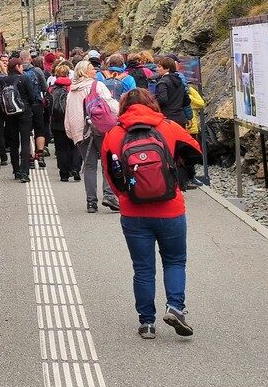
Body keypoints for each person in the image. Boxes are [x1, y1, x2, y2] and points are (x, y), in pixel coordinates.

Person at [102, 88, 204, 338]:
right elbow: (196, 152)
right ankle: (175, 307)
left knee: (143, 268)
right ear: (152, 104)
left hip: (134, 212)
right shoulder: (168, 127)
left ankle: (147, 323)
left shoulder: (114, 134)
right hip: (171, 209)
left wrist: (124, 197)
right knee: (175, 260)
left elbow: (110, 174)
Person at [65, 60, 120, 213]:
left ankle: (91, 202)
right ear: (84, 72)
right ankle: (108, 195)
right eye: (91, 69)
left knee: (89, 166)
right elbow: (110, 104)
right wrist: (120, 114)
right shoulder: (97, 85)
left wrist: (71, 133)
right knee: (107, 163)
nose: (95, 71)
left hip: (81, 132)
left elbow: (68, 113)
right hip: (100, 129)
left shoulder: (72, 90)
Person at [151, 55, 198, 188]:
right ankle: (183, 181)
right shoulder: (180, 81)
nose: (157, 69)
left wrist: (153, 101)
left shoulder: (163, 82)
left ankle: (169, 181)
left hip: (167, 119)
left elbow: (163, 99)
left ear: (166, 68)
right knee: (179, 150)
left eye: (160, 66)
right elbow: (186, 101)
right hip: (180, 119)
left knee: (167, 150)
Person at [20, 51, 50, 171]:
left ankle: (30, 158)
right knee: (39, 130)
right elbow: (45, 88)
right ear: (30, 59)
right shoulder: (37, 71)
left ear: (20, 59)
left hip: (23, 106)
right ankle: (40, 155)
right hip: (37, 104)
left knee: (26, 132)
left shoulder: (18, 71)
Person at [48, 63, 78, 181]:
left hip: (57, 122)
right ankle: (75, 168)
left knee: (60, 148)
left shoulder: (51, 89)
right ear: (68, 74)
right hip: (72, 121)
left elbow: (46, 105)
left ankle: (64, 174)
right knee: (74, 145)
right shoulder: (74, 88)